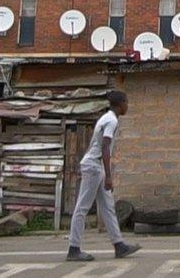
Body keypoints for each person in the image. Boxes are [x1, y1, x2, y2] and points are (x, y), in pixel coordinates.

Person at [66, 91, 141, 262]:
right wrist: (109, 175)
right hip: (94, 166)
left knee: (108, 208)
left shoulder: (107, 118)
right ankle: (73, 248)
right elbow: (105, 147)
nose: (127, 106)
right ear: (120, 103)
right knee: (82, 208)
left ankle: (119, 245)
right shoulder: (112, 120)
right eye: (127, 102)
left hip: (97, 166)